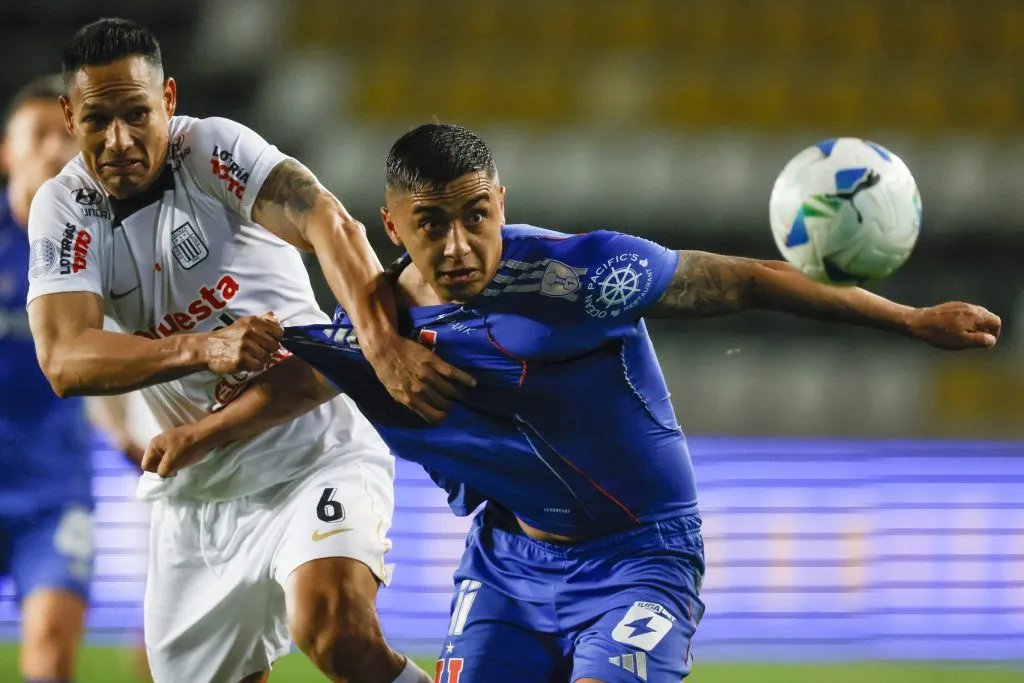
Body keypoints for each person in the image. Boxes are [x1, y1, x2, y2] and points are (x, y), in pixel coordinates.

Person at [142, 123, 1002, 683]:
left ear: (502, 203)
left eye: (476, 215)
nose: (459, 242)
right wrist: (205, 434)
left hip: (638, 556)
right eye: (432, 222)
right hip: (507, 567)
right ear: (393, 225)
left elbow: (744, 280)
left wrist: (911, 319)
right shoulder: (380, 332)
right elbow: (315, 375)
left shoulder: (575, 275)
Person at [26, 18, 456, 683]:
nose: (119, 140)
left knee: (336, 630)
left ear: (168, 99)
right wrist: (203, 346)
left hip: (311, 449)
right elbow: (64, 359)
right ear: (69, 115)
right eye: (97, 120)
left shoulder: (211, 151)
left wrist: (380, 345)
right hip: (198, 491)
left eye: (137, 114)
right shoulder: (63, 210)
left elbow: (325, 217)